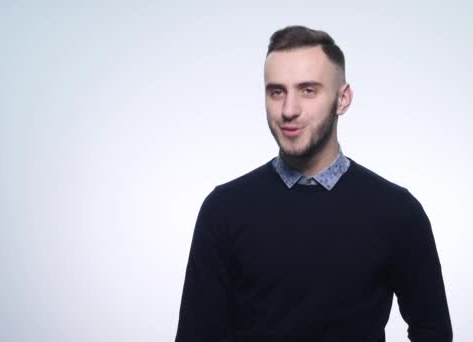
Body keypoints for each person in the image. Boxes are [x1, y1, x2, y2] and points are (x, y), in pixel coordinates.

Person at [175, 25, 453, 342]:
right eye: (276, 91)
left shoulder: (397, 212)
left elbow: (433, 331)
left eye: (308, 90)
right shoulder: (223, 210)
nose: (288, 110)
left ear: (342, 99)